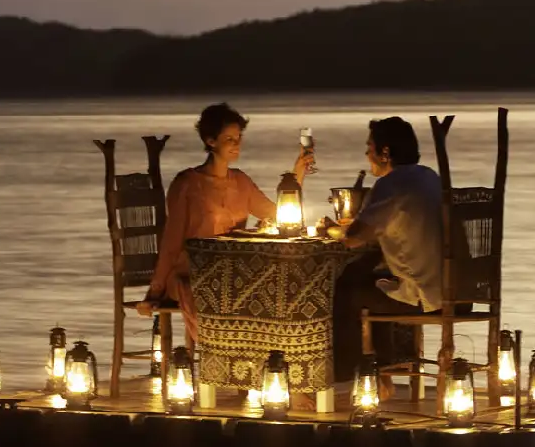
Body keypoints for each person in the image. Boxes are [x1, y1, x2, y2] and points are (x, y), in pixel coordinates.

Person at [136, 102, 314, 342]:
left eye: (238, 138)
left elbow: (278, 214)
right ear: (211, 141)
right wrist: (154, 291)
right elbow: (172, 239)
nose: (236, 144)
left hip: (231, 272)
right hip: (190, 272)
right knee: (210, 292)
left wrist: (297, 174)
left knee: (273, 287)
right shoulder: (187, 183)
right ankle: (218, 350)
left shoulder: (240, 181)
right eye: (229, 138)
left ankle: (265, 353)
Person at [332, 116, 459, 399]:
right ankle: (382, 374)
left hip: (423, 298)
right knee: (372, 280)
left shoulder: (391, 184)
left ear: (385, 152)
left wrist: (331, 228)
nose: (367, 154)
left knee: (346, 290)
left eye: (370, 147)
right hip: (454, 291)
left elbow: (353, 238)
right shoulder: (429, 176)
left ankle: (345, 374)